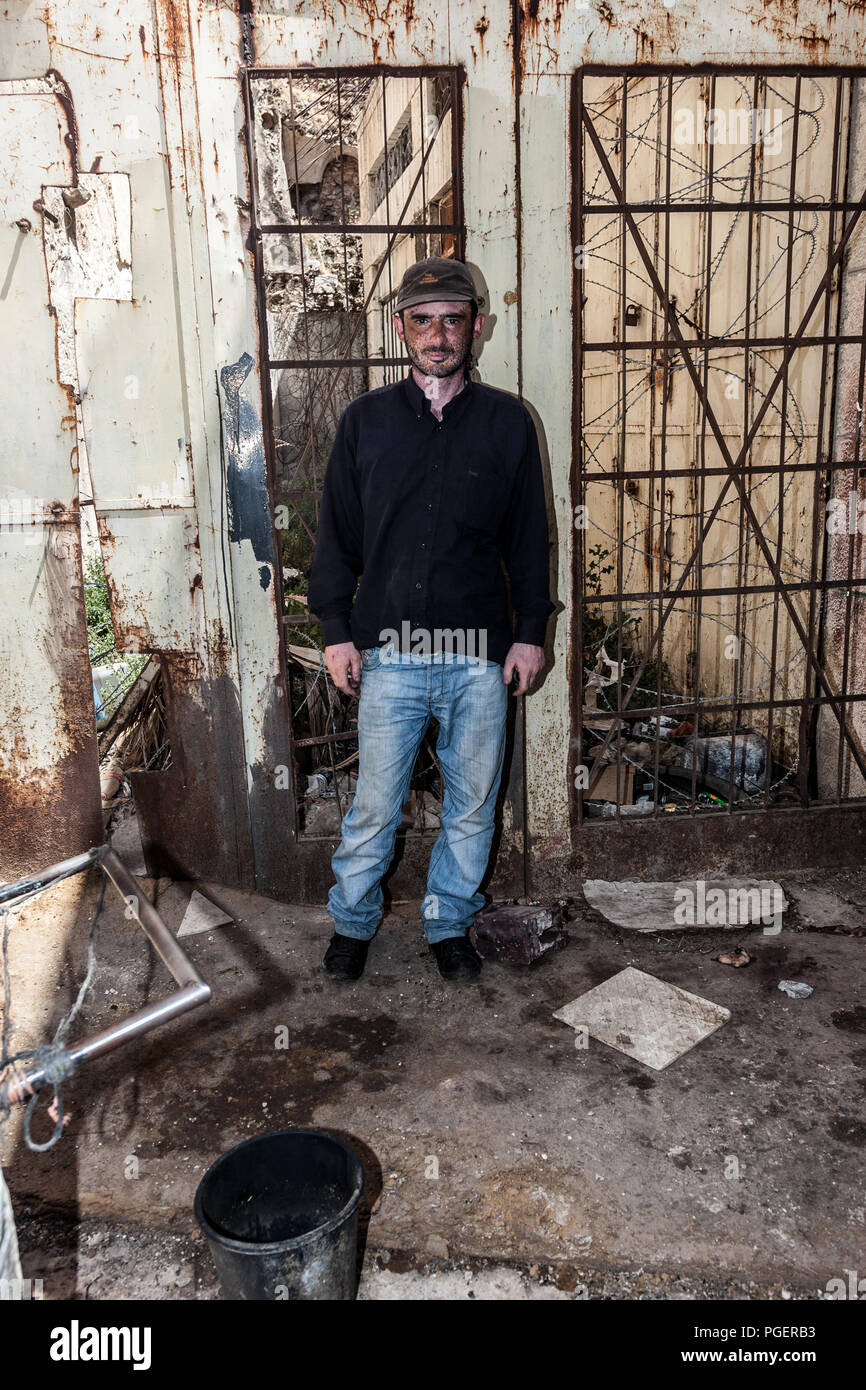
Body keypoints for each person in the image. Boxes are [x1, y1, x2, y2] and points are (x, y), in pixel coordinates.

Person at [307, 256, 555, 983]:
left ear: (477, 326)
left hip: (479, 652)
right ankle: (353, 922)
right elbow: (337, 536)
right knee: (376, 806)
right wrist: (334, 629)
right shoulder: (365, 423)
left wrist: (530, 632)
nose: (438, 334)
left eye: (453, 319)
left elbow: (531, 538)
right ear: (401, 328)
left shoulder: (510, 423)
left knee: (473, 806)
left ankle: (449, 921)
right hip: (391, 650)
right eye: (423, 320)